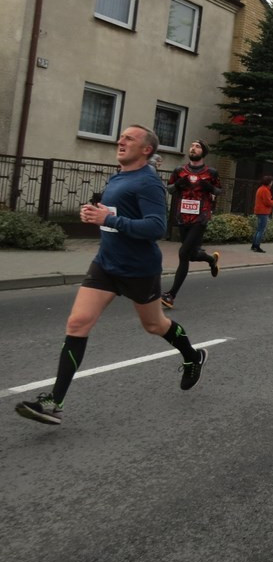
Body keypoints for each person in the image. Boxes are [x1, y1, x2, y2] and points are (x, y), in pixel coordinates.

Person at [14, 125, 207, 425]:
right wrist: (96, 213)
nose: (121, 141)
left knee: (155, 325)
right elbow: (116, 215)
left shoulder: (149, 183)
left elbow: (156, 227)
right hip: (105, 264)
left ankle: (192, 356)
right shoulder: (118, 176)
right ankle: (54, 402)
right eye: (121, 137)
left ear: (146, 149)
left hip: (138, 269)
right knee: (78, 323)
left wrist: (111, 218)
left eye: (129, 138)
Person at [161, 140, 222, 309]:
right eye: (192, 146)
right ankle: (211, 260)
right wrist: (178, 185)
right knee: (192, 255)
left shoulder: (211, 172)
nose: (193, 148)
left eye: (197, 146)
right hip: (183, 217)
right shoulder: (180, 171)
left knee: (183, 253)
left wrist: (209, 186)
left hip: (201, 217)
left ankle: (171, 295)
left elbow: (219, 191)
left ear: (203, 152)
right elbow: (170, 188)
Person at [251, 175, 273, 252]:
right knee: (261, 230)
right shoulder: (265, 190)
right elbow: (267, 202)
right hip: (263, 211)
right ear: (269, 182)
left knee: (258, 229)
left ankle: (254, 245)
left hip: (259, 211)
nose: (272, 183)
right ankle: (257, 246)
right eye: (271, 182)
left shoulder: (260, 189)